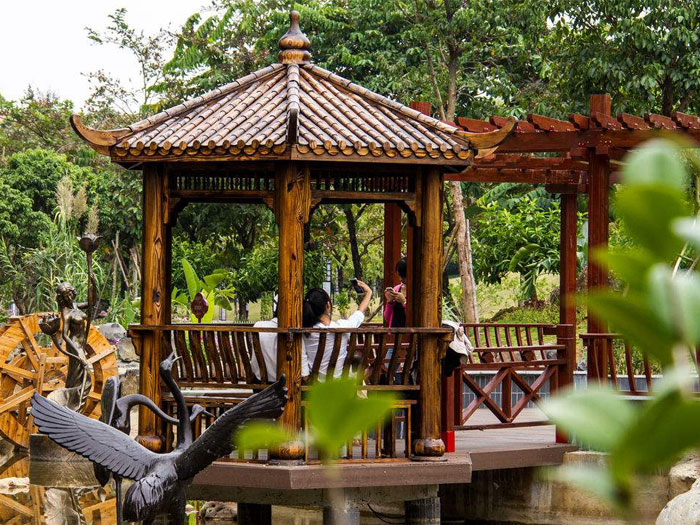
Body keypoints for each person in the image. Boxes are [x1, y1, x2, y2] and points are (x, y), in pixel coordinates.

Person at [302, 281, 372, 378]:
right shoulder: (343, 326)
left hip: (315, 383)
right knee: (365, 370)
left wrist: (306, 377)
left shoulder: (305, 332)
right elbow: (359, 314)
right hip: (340, 381)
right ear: (328, 306)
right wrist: (369, 293)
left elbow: (303, 360)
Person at [251, 296, 310, 382]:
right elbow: (304, 375)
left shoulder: (258, 326)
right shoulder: (295, 335)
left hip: (259, 383)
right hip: (286, 386)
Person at [384, 258, 407, 327]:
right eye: (399, 276)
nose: (401, 279)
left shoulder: (416, 292)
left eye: (403, 276)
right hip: (394, 332)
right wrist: (389, 302)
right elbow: (387, 318)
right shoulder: (396, 289)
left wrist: (404, 302)